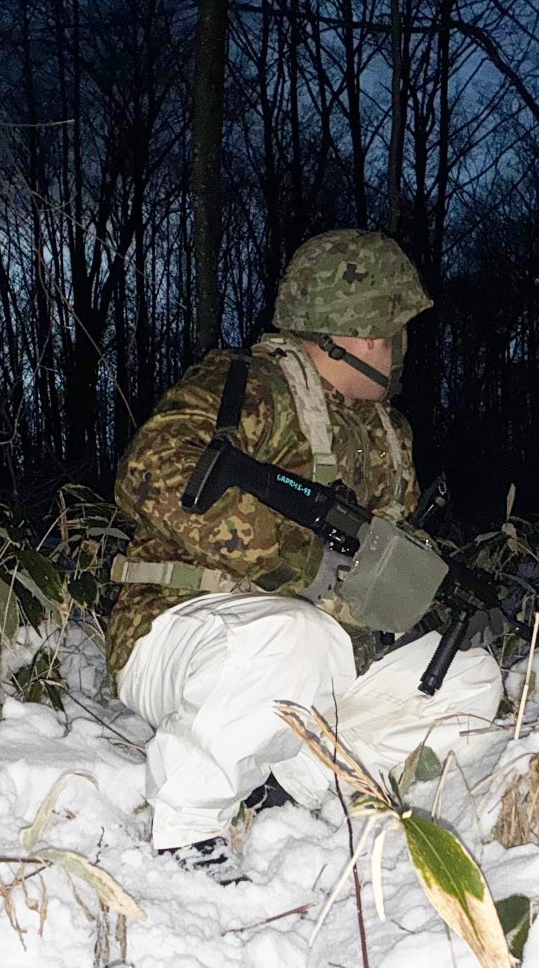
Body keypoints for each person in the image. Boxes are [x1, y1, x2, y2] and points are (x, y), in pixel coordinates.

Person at [106, 229, 503, 883]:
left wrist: (433, 598)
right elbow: (153, 473)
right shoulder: (250, 385)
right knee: (297, 633)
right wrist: (295, 558)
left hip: (321, 664)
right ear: (353, 333)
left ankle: (291, 781)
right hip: (182, 633)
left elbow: (379, 563)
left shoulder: (388, 431)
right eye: (394, 330)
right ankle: (187, 826)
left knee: (469, 677)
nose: (402, 347)